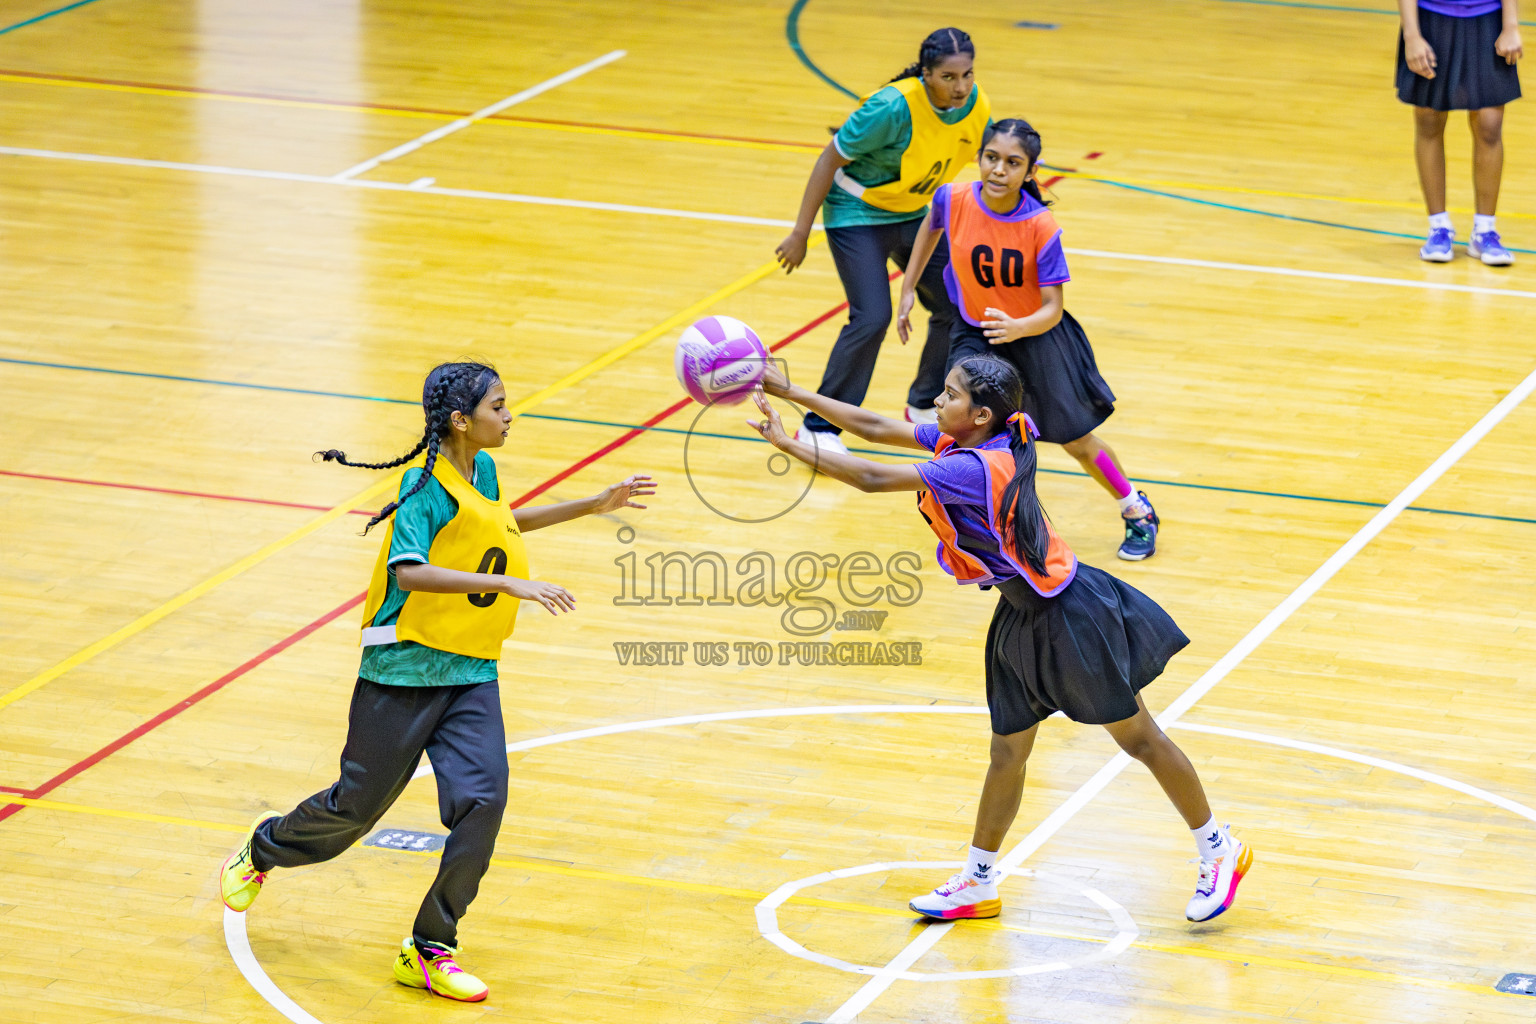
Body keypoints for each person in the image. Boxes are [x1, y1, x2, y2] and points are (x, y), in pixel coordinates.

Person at [747, 355, 1252, 923]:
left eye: (949, 395)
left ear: (981, 414)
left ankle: (1218, 848)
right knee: (1007, 751)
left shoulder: (975, 466)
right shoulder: (975, 439)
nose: (938, 401)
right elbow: (879, 427)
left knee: (1139, 739)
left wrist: (789, 444)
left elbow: (870, 476)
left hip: (1069, 614)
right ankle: (978, 882)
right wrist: (796, 393)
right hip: (1021, 614)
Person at [218, 361, 655, 1003]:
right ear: (461, 420)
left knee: (484, 802)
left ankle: (430, 948)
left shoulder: (484, 470)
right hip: (404, 669)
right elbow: (409, 573)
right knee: (353, 811)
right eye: (499, 406)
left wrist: (593, 503)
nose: (509, 416)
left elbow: (499, 524)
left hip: (471, 669)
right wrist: (507, 583)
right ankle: (265, 847)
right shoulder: (423, 488)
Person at [899, 119, 1160, 561]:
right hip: (975, 331)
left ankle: (1136, 509)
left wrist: (1019, 327)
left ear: (1030, 171)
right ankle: (988, 526)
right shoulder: (953, 198)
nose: (999, 169)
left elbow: (1052, 307)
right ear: (980, 158)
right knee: (967, 426)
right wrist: (909, 286)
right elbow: (931, 227)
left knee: (1077, 440)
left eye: (1012, 163)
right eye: (991, 158)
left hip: (1036, 338)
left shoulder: (1039, 226)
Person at [774, 27, 991, 454]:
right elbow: (828, 159)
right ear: (926, 74)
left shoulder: (975, 104)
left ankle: (925, 404)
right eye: (949, 77)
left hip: (913, 214)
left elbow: (985, 159)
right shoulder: (891, 108)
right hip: (857, 214)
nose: (961, 86)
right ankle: (819, 429)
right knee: (872, 316)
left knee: (957, 302)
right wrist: (801, 231)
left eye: (967, 74)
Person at [1397, 0, 1523, 264]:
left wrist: (1511, 25)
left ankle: (1485, 231)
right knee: (1429, 119)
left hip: (1488, 18)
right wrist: (1411, 34)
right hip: (1431, 19)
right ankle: (1438, 227)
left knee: (1489, 124)